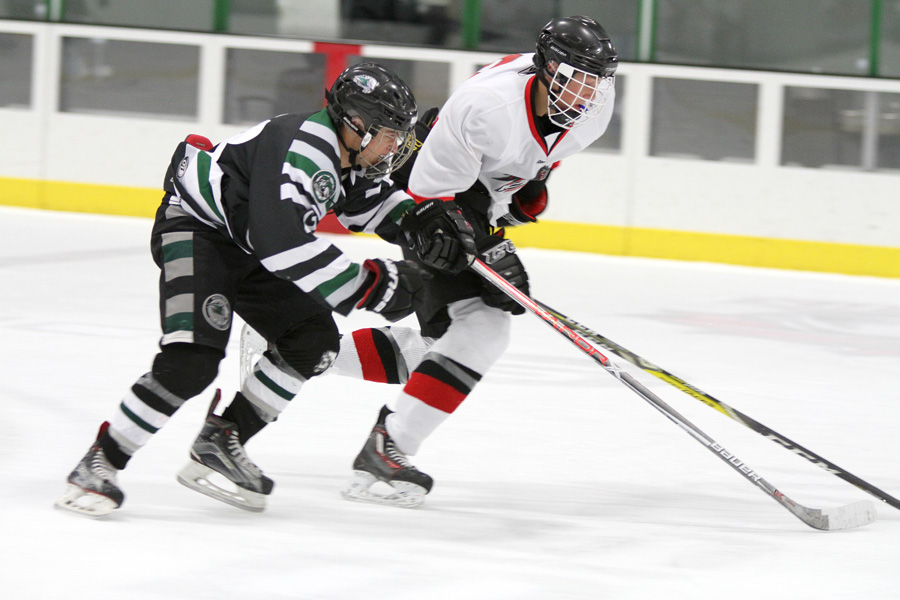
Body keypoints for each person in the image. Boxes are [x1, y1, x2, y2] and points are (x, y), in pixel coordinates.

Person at [55, 62, 475, 517]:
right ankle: (100, 463)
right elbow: (284, 247)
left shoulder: (347, 153)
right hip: (197, 229)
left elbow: (365, 203)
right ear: (355, 124)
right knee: (192, 360)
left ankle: (224, 438)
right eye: (389, 134)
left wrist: (419, 222)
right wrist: (371, 285)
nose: (395, 146)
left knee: (312, 341)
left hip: (248, 243)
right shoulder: (306, 152)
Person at [335, 16, 619, 507]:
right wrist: (488, 250)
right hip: (426, 184)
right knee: (481, 329)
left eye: (596, 82)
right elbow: (429, 199)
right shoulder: (486, 107)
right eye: (576, 79)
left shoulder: (595, 109)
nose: (587, 94)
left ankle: (299, 346)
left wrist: (519, 196)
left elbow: (539, 156)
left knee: (441, 350)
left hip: (475, 192)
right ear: (547, 69)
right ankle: (388, 445)